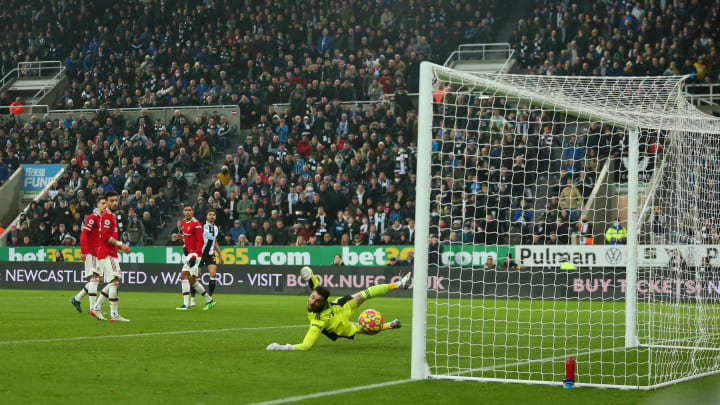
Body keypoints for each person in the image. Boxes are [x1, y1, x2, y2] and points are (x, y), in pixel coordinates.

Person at [266, 267, 411, 351]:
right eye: (312, 298)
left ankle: (399, 284)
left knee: (365, 293)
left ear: (323, 303)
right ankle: (389, 325)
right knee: (365, 328)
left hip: (338, 308)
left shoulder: (320, 312)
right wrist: (284, 347)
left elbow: (306, 345)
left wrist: (284, 347)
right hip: (338, 325)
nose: (312, 302)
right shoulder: (318, 317)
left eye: (316, 300)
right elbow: (306, 345)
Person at [89, 191, 131, 322]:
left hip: (109, 252)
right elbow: (106, 236)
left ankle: (97, 307)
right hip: (107, 252)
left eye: (115, 200)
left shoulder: (111, 215)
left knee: (116, 279)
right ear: (106, 203)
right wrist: (121, 244)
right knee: (114, 281)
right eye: (111, 201)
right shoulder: (107, 216)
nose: (114, 203)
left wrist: (119, 247)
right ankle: (114, 314)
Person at [173, 204, 216, 311]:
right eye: (186, 210)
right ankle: (209, 300)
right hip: (190, 253)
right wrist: (183, 241)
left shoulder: (196, 224)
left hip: (195, 254)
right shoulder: (184, 222)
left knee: (183, 276)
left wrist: (195, 255)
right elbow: (188, 238)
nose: (187, 212)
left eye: (189, 210)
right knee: (192, 280)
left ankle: (186, 305)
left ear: (192, 212)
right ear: (183, 212)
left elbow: (200, 241)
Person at [70, 196, 106, 314]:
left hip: (99, 252)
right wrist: (84, 251)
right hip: (92, 252)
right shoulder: (93, 217)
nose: (104, 205)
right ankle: (93, 309)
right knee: (95, 279)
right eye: (102, 203)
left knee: (99, 279)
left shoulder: (104, 219)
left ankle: (77, 298)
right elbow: (84, 233)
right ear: (97, 204)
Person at [199, 208, 224, 300]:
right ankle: (192, 298)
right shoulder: (202, 227)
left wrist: (220, 255)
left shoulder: (216, 228)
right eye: (210, 214)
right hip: (200, 254)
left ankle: (209, 298)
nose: (212, 216)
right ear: (206, 216)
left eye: (213, 215)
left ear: (215, 217)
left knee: (213, 274)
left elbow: (215, 242)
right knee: (195, 276)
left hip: (210, 254)